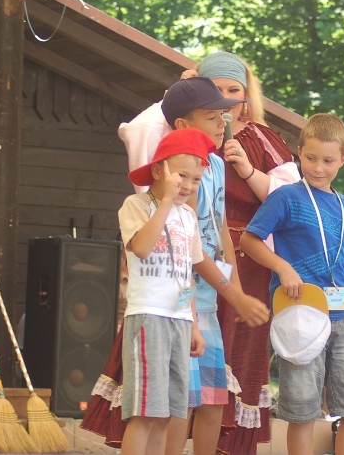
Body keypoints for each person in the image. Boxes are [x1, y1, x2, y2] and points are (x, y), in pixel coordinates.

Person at [240, 113, 344, 455]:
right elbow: (249, 241)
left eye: (329, 160)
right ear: (298, 153)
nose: (319, 167)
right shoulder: (286, 197)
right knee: (302, 409)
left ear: (343, 159)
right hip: (300, 314)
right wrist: (282, 267)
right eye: (311, 158)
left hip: (342, 317)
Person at [193, 51, 300, 455]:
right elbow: (135, 132)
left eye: (232, 90)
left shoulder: (261, 137)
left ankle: (230, 446)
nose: (224, 99)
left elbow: (290, 202)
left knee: (240, 351)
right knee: (196, 353)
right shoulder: (186, 131)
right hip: (197, 259)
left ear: (245, 96)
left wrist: (247, 171)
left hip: (249, 261)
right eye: (213, 89)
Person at [158, 77, 271, 455]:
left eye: (224, 115)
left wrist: (234, 289)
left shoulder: (218, 166)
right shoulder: (178, 174)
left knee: (213, 396)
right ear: (182, 125)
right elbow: (191, 250)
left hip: (207, 299)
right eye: (211, 116)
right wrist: (235, 297)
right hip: (179, 301)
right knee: (182, 401)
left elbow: (221, 229)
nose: (222, 123)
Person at [115, 127, 214, 455]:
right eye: (181, 175)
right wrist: (166, 203)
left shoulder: (188, 216)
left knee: (168, 414)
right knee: (145, 412)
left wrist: (194, 323)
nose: (187, 185)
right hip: (148, 319)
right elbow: (142, 247)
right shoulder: (136, 205)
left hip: (179, 322)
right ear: (158, 170)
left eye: (195, 179)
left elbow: (187, 277)